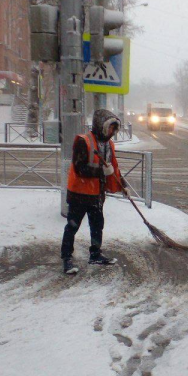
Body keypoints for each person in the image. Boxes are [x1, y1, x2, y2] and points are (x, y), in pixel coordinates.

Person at [61, 109, 130, 275]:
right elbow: (79, 168)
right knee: (72, 227)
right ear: (101, 126)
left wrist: (123, 185)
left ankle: (95, 254)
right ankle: (66, 258)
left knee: (97, 225)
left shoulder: (108, 145)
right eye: (110, 128)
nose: (112, 132)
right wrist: (101, 172)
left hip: (97, 194)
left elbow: (113, 168)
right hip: (79, 193)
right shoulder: (83, 142)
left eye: (115, 129)